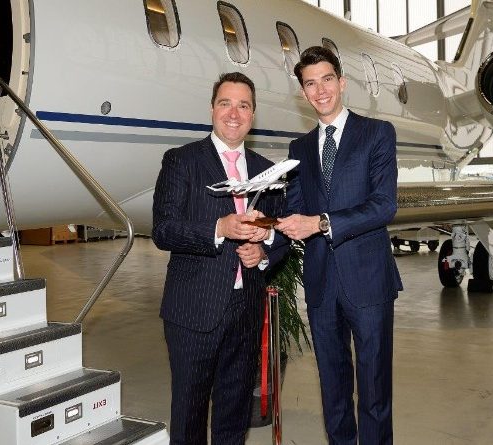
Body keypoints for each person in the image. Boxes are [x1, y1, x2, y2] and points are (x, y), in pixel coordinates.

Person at [274, 46, 403, 445]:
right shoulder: (298, 150)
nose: (320, 90)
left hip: (368, 282)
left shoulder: (377, 134)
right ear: (303, 92)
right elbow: (294, 214)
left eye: (327, 79)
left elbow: (384, 206)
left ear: (342, 83)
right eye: (310, 83)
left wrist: (323, 222)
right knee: (332, 390)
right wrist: (262, 229)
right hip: (321, 286)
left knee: (374, 390)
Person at [152, 72, 287, 445]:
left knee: (233, 415)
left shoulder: (266, 171)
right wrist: (219, 228)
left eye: (243, 105)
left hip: (245, 310)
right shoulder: (182, 161)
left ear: (253, 115)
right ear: (212, 109)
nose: (234, 113)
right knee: (189, 418)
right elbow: (163, 230)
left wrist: (264, 250)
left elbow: (282, 236)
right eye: (226, 103)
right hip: (193, 311)